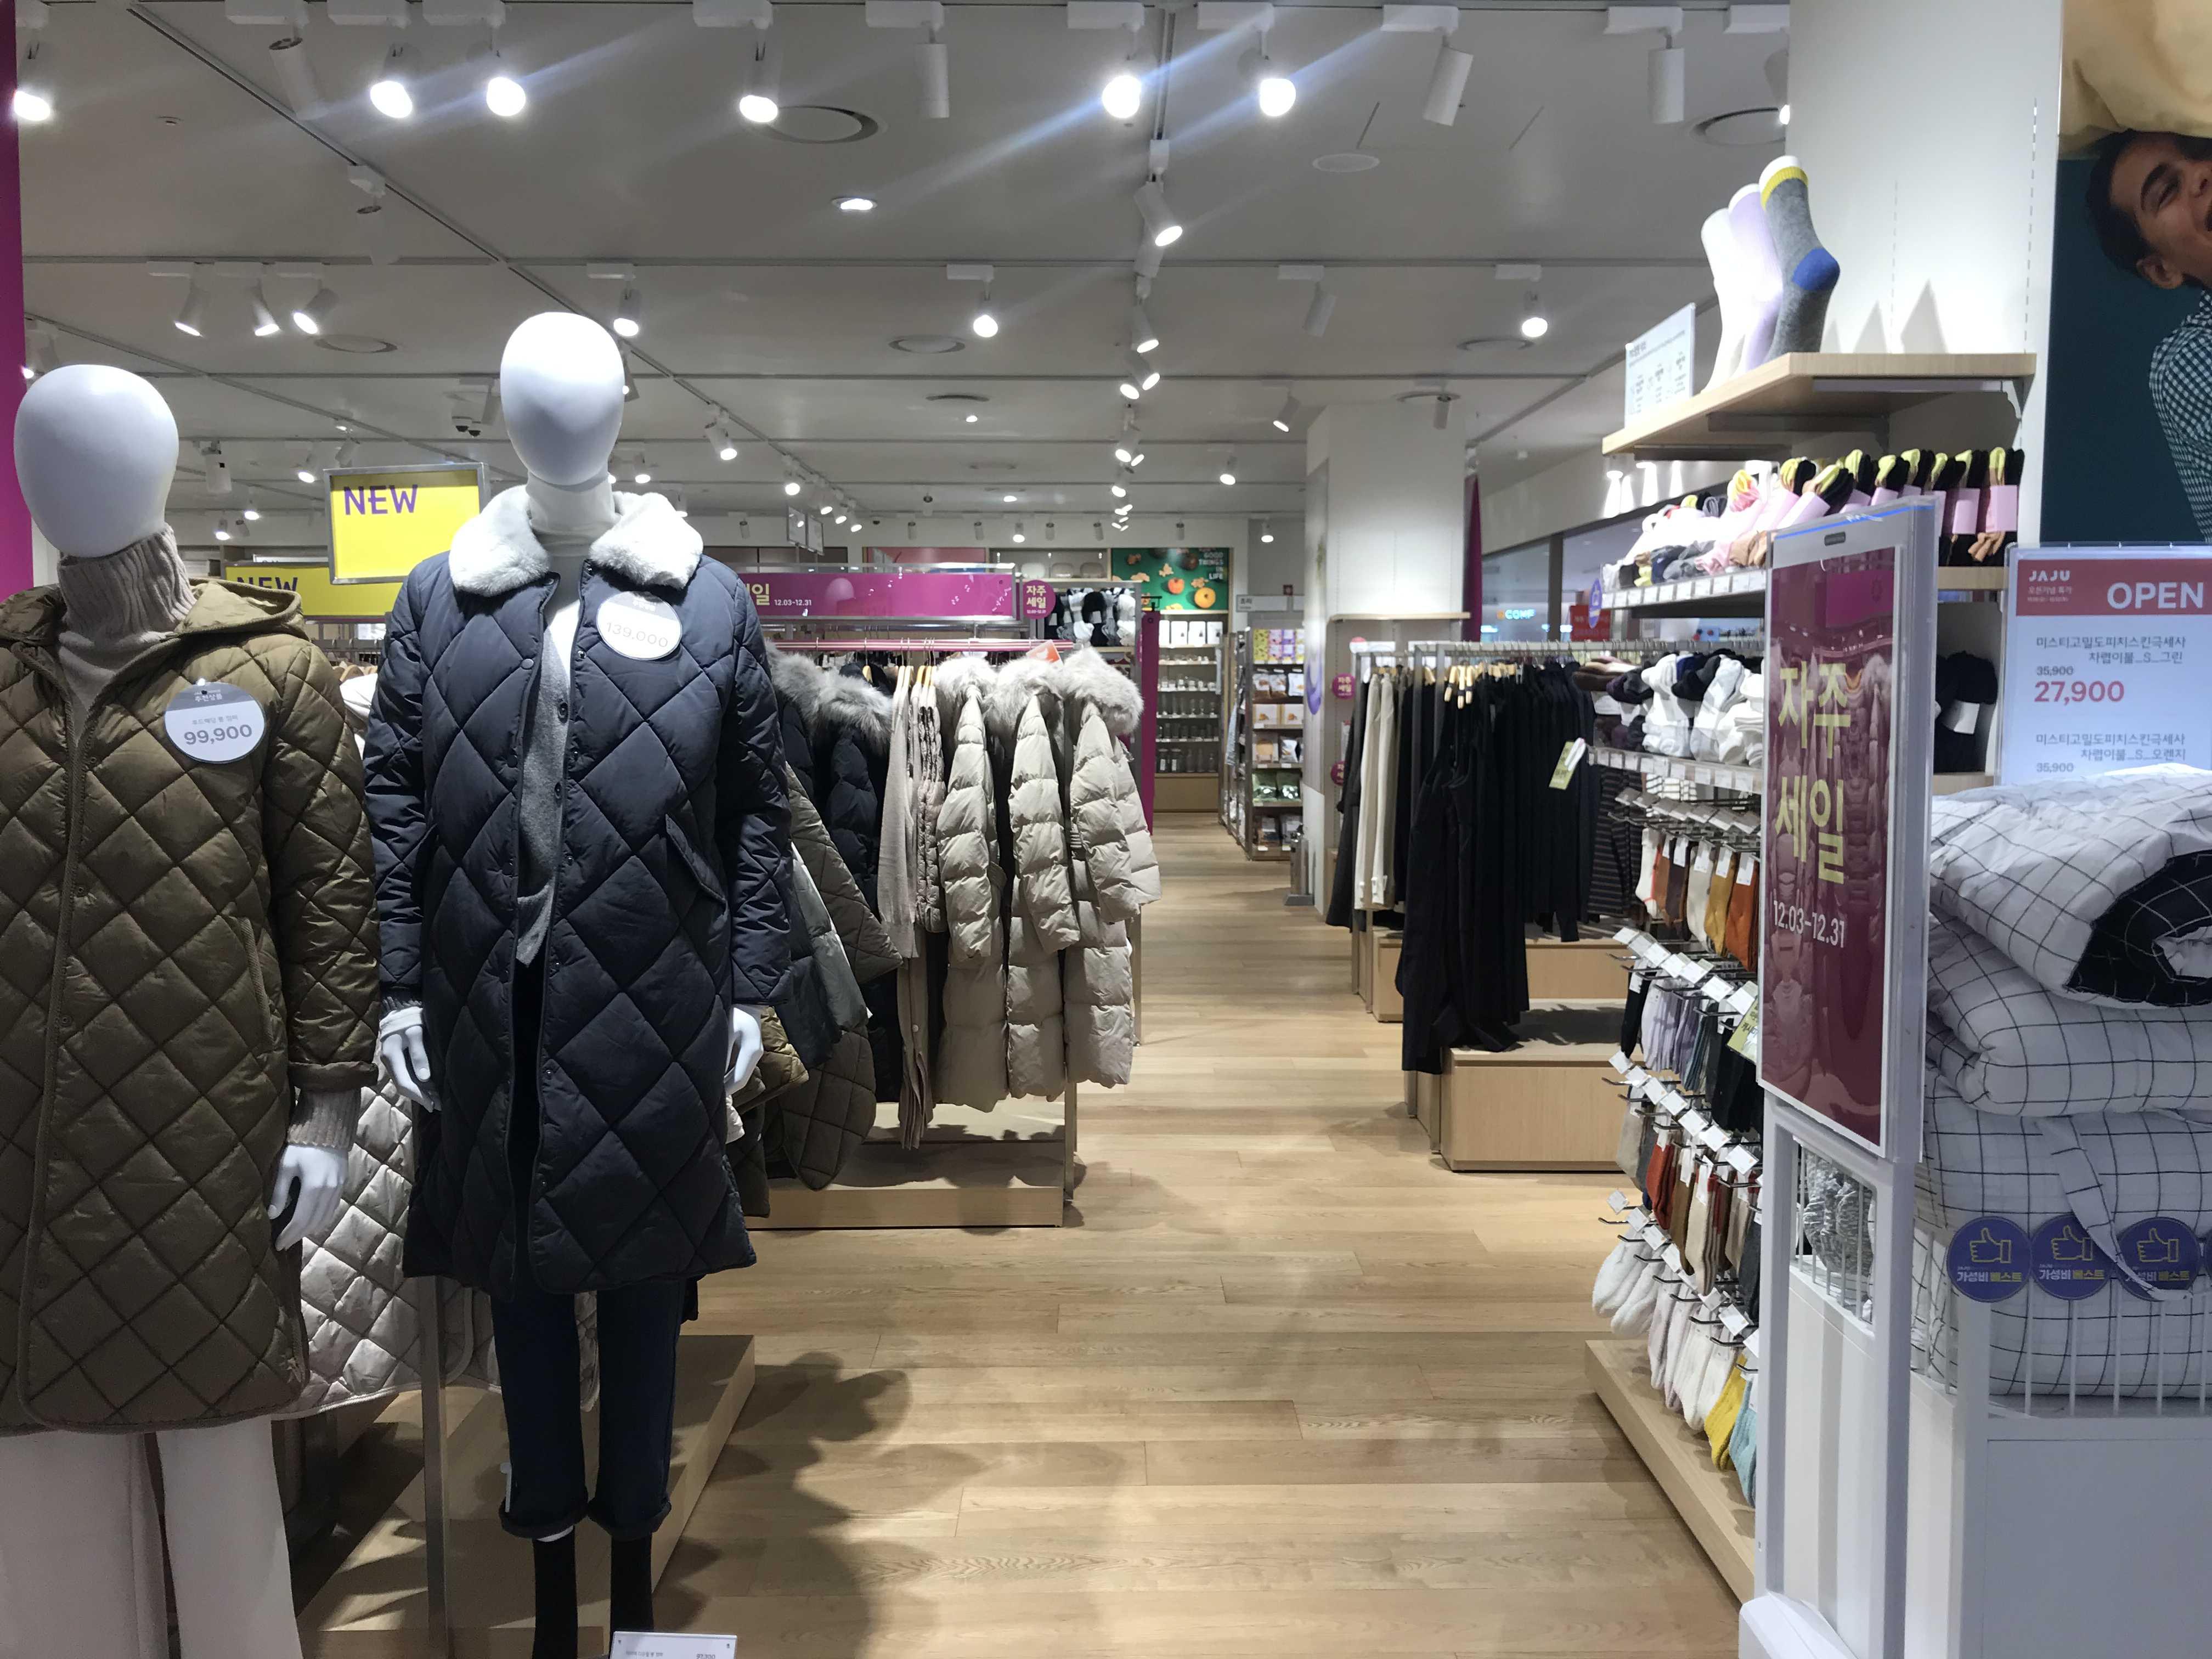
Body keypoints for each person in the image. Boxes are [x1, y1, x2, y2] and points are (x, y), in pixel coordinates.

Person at [2087, 128, 2212, 537]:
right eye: (2167, 191)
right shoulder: (2188, 362)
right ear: (2162, 269)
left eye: (2205, 150)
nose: (2201, 173)